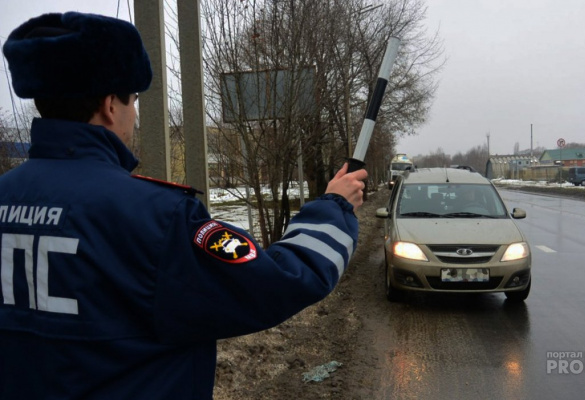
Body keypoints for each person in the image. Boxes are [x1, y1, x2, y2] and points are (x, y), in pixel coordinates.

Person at [0, 12, 367, 400]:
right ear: (110, 104)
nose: (135, 117)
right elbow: (282, 282)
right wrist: (335, 206)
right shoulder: (157, 217)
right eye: (134, 101)